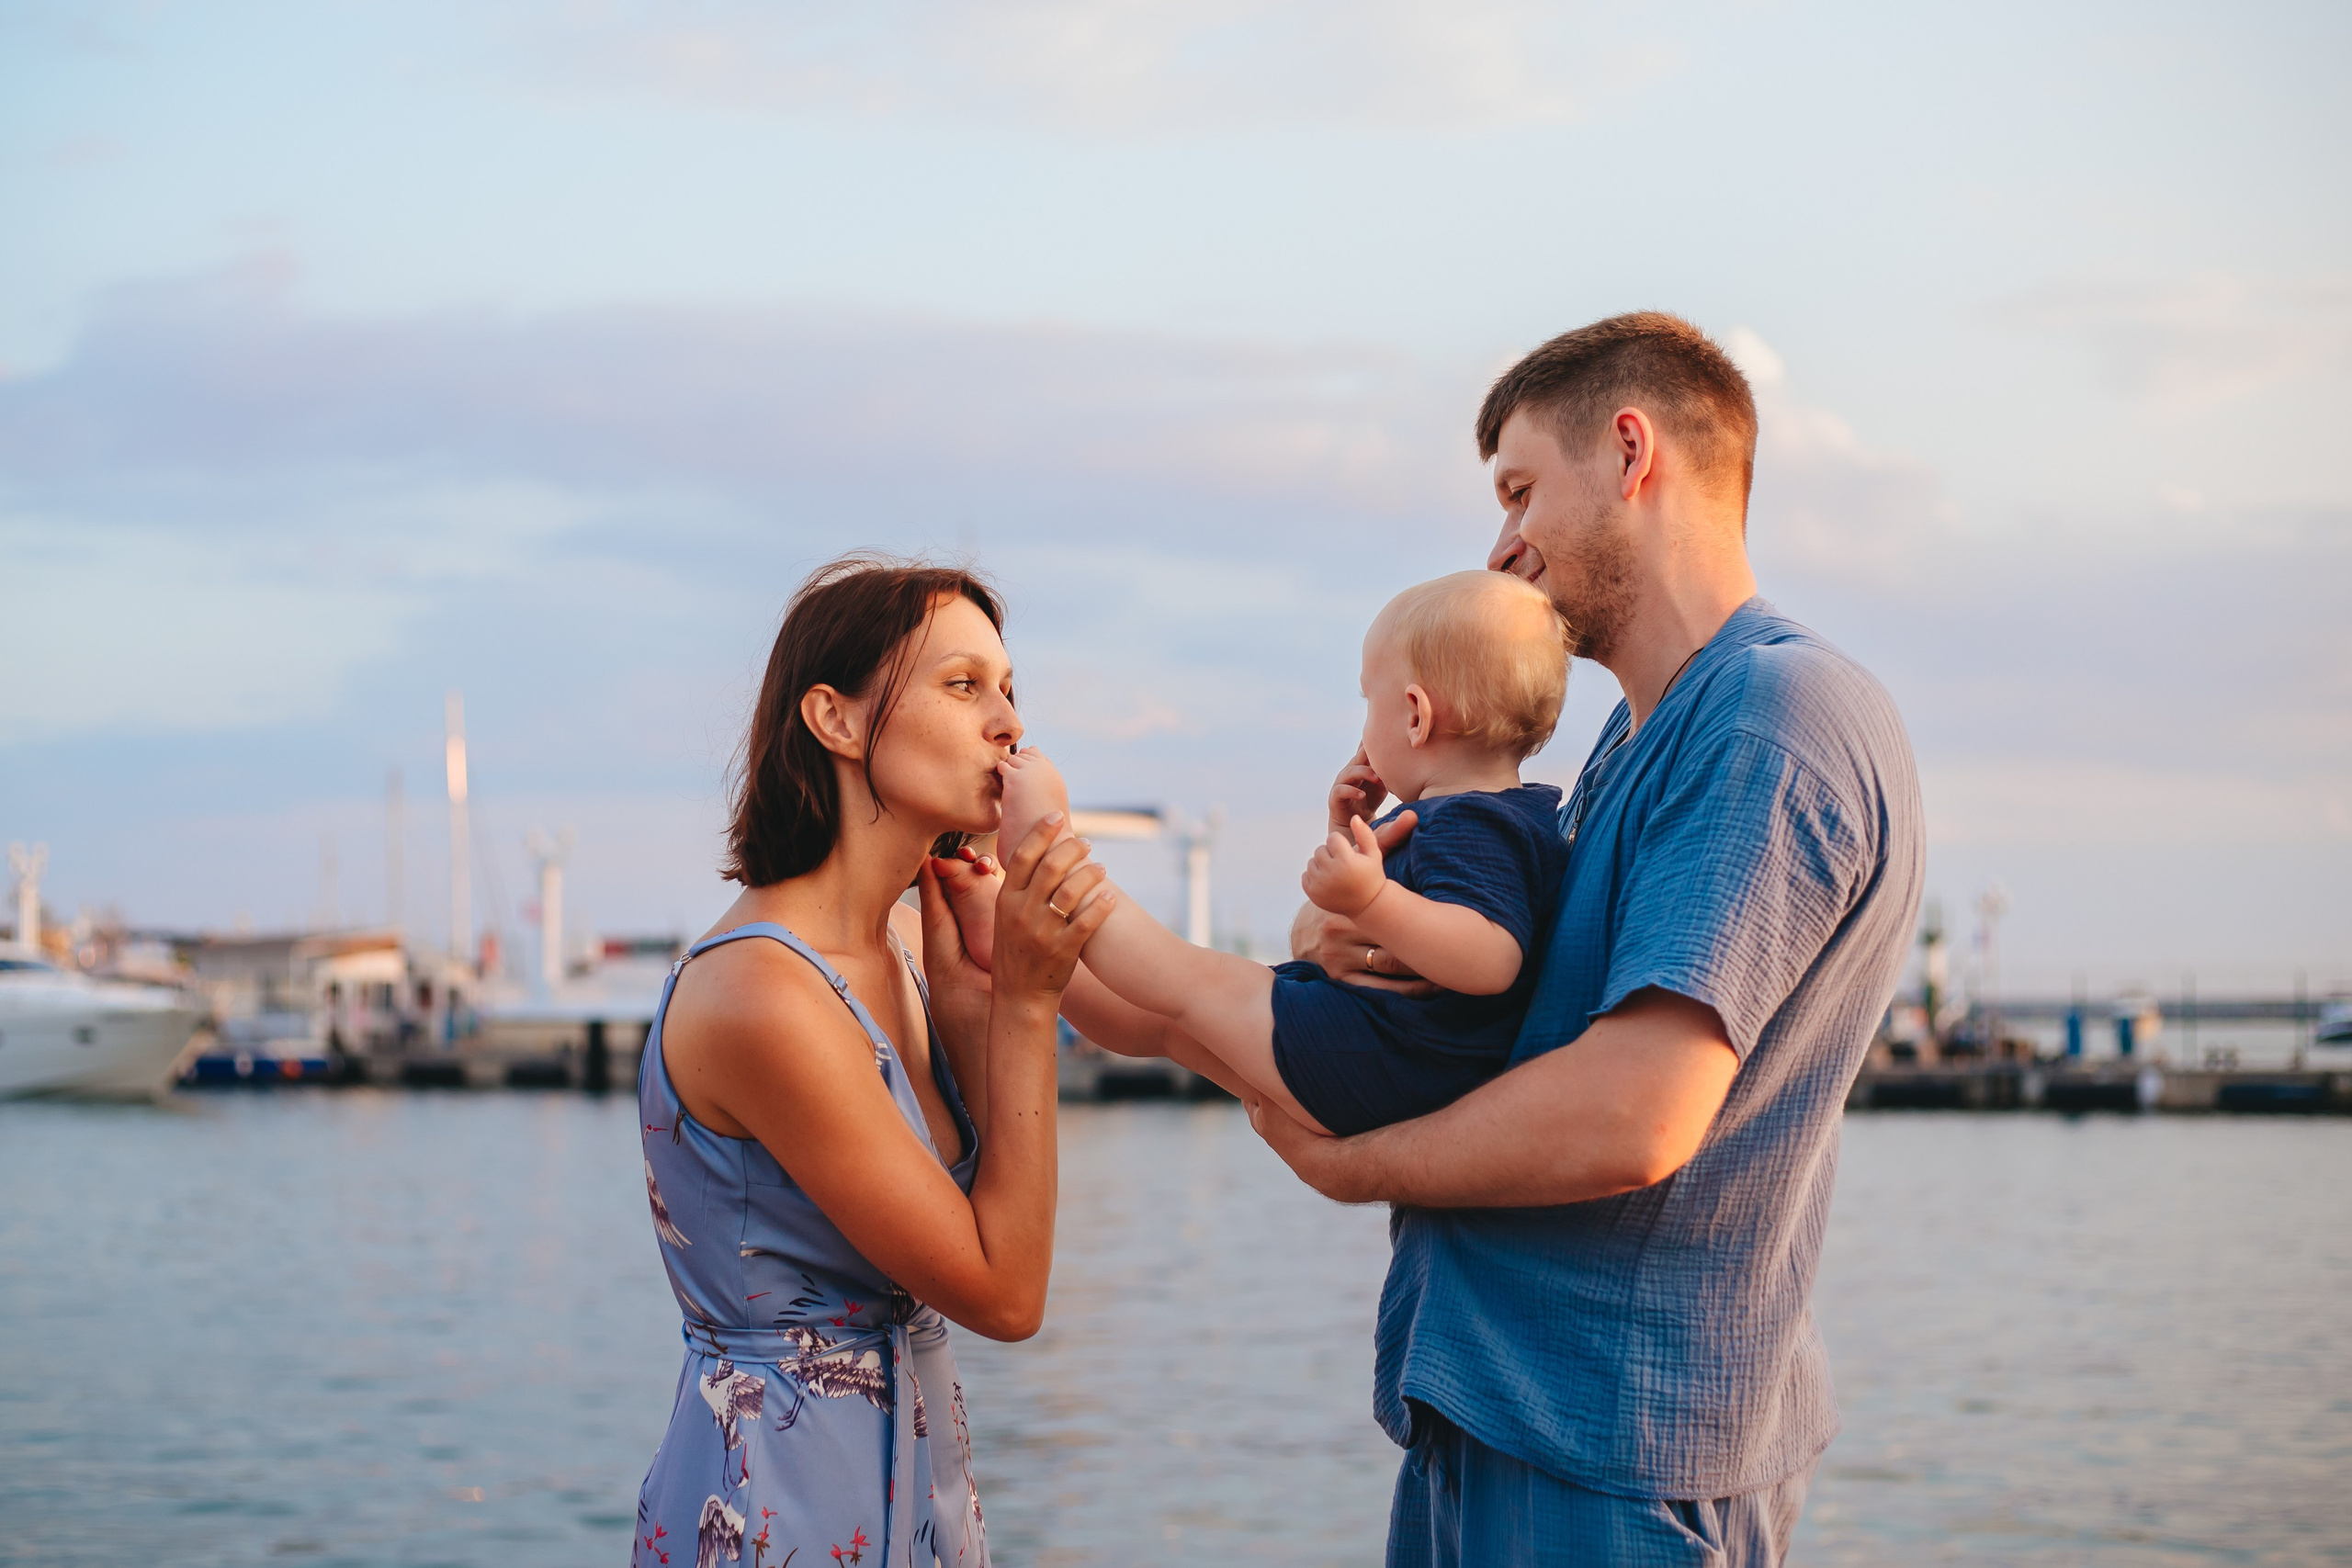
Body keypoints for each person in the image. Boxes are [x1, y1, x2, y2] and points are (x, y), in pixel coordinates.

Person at [1253, 312, 1926, 1566]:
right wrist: (1347, 933)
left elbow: (1636, 1111)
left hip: (1609, 1454)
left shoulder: (1770, 717)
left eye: (1519, 490)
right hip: (1517, 1417)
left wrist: (1359, 1165)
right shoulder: (1627, 743)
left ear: (1630, 452)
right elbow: (1504, 1009)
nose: (1500, 546)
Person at [631, 556, 1112, 1568]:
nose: (1009, 725)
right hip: (780, 1509)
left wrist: (980, 1003)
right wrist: (1025, 1003)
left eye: (1011, 690)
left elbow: (988, 1212)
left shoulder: (899, 947)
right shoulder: (764, 994)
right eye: (962, 684)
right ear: (836, 720)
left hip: (912, 1488)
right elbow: (1006, 1294)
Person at [991, 570, 1573, 1137]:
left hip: (1388, 1062)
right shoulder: (1474, 818)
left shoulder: (1476, 822)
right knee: (1170, 1022)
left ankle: (1050, 858)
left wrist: (1370, 898)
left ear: (1416, 716)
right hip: (1384, 1054)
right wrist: (1348, 836)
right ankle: (1016, 936)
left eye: (1370, 701)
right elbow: (1420, 916)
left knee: (1195, 980)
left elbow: (1491, 959)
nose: (1365, 724)